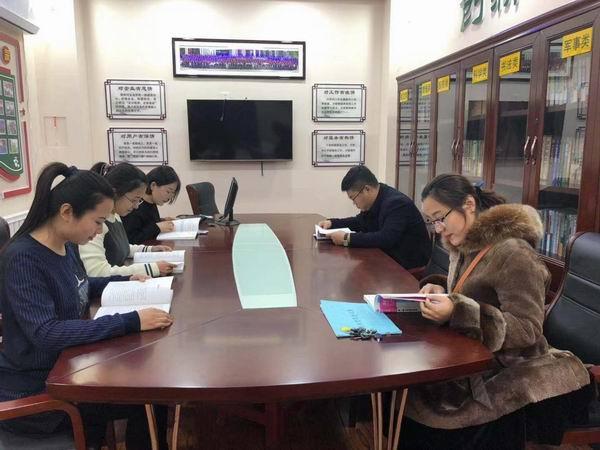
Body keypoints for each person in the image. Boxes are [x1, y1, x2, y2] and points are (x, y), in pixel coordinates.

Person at [400, 173, 591, 449]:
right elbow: (470, 290)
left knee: (430, 414)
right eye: (432, 222)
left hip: (514, 365)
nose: (438, 229)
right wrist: (441, 289)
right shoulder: (464, 243)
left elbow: (527, 328)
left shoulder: (513, 253)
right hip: (475, 353)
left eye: (440, 218)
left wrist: (458, 311)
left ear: (468, 204)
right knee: (409, 394)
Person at [0, 162, 172, 449]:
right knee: (146, 399)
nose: (100, 230)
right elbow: (46, 333)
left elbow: (80, 284)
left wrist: (125, 280)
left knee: (151, 391)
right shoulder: (24, 259)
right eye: (98, 221)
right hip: (41, 391)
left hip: (70, 369)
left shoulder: (65, 244)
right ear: (67, 212)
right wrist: (130, 321)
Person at [318, 165, 431, 270]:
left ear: (366, 189)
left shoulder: (396, 203)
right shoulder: (377, 197)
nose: (354, 203)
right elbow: (359, 222)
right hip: (388, 260)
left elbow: (386, 238)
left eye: (353, 198)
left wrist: (347, 238)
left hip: (408, 268)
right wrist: (332, 223)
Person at [79, 162, 176, 277]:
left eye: (139, 200)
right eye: (134, 200)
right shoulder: (96, 222)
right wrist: (151, 268)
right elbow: (97, 272)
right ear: (115, 193)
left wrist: (150, 249)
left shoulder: (115, 215)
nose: (136, 206)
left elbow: (122, 248)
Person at [122, 165, 181, 244]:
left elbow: (146, 224)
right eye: (168, 191)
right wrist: (157, 227)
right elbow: (131, 239)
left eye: (172, 193)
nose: (170, 197)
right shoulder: (136, 206)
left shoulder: (151, 203)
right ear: (153, 185)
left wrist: (162, 220)